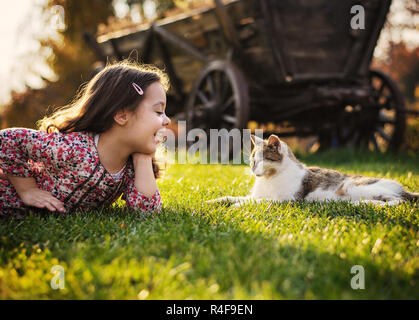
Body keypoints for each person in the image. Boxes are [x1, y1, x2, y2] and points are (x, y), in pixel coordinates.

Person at [0, 60, 170, 216]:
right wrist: (27, 189)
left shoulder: (130, 168)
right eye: (158, 112)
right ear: (121, 116)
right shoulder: (75, 148)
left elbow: (148, 212)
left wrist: (144, 156)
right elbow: (7, 139)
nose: (167, 120)